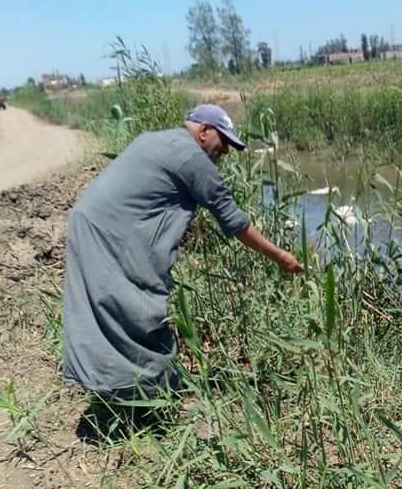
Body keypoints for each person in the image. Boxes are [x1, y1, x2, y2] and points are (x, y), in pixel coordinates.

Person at [62, 103, 302, 398]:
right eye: (223, 141)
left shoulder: (153, 138)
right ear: (203, 131)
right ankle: (149, 397)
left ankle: (124, 393)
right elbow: (234, 221)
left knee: (108, 307)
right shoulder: (192, 158)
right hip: (109, 234)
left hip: (89, 222)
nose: (225, 151)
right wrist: (281, 257)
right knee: (136, 306)